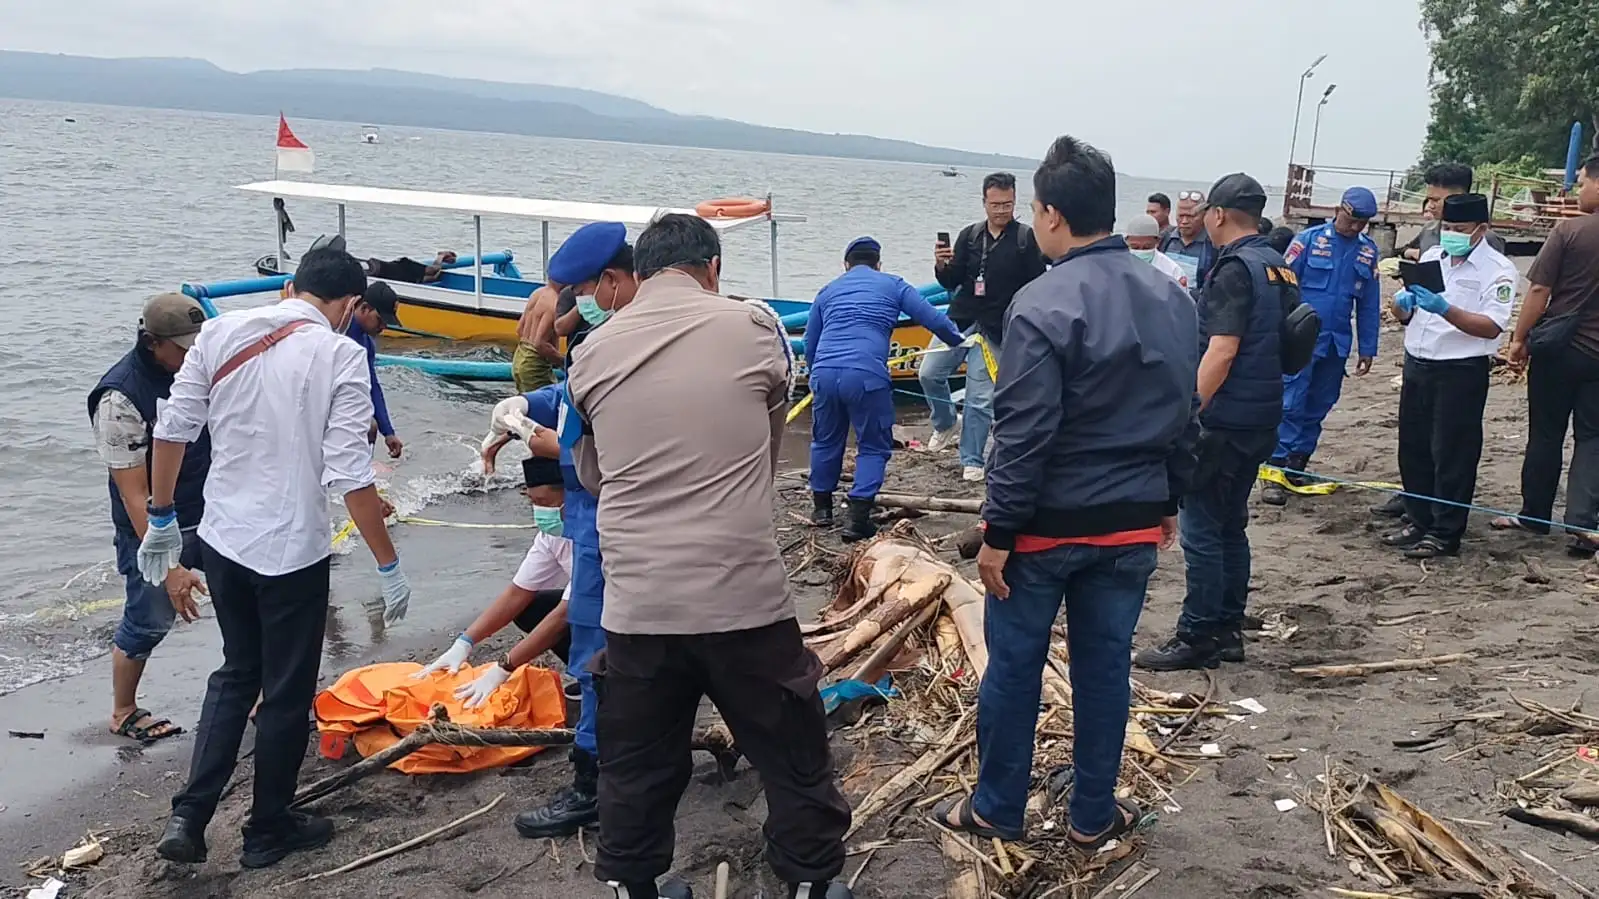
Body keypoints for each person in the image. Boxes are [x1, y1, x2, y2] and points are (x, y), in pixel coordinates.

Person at [565, 213, 852, 899]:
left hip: (640, 604)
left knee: (635, 759)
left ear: (637, 273)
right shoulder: (755, 329)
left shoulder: (590, 355)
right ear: (712, 268)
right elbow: (769, 420)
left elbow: (590, 474)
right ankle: (810, 885)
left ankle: (633, 887)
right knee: (790, 751)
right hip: (741, 593)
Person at [934, 135, 1197, 851]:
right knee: (1105, 668)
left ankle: (997, 805)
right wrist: (1169, 497)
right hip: (1132, 520)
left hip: (1046, 526)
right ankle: (1090, 814)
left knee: (1014, 667)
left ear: (1049, 214)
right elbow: (1182, 412)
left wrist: (998, 530)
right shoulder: (1172, 297)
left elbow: (1021, 435)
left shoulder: (1040, 301)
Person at [143, 247, 412, 869]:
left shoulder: (219, 330)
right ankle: (267, 829)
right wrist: (388, 563)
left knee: (237, 674)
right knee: (287, 691)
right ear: (349, 306)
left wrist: (161, 519)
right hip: (291, 548)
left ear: (292, 286)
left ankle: (189, 814)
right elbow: (350, 472)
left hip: (223, 537)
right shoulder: (340, 354)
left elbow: (173, 428)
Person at [513, 221, 641, 841]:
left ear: (611, 281)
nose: (574, 305)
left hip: (611, 516)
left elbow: (604, 445)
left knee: (597, 649)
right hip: (603, 521)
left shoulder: (624, 342)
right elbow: (570, 395)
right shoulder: (607, 337)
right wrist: (529, 406)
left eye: (581, 291)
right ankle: (608, 769)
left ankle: (594, 783)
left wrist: (543, 440)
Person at [1136, 174, 1290, 671]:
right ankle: (1227, 628)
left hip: (1225, 418)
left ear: (1218, 215)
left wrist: (1189, 410)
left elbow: (1221, 350)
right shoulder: (1277, 266)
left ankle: (1198, 633)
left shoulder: (1234, 270)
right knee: (1231, 525)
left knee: (1202, 529)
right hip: (1263, 413)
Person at [89, 293, 212, 745]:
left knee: (248, 600)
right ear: (151, 342)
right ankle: (123, 710)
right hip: (150, 526)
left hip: (209, 509)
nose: (191, 355)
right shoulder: (119, 397)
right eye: (182, 348)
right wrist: (170, 565)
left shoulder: (195, 371)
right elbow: (134, 493)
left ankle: (255, 693)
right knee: (149, 619)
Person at [1382, 194, 1517, 558]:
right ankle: (1418, 518)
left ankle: (1445, 531)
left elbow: (1490, 327)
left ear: (1481, 230)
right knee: (1413, 448)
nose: (1451, 235)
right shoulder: (1431, 257)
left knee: (1452, 453)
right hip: (1418, 361)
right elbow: (1403, 311)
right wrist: (1402, 304)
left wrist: (1444, 309)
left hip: (1460, 369)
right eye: (1447, 228)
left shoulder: (1498, 270)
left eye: (1459, 229)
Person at [806, 237, 965, 539]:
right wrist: (959, 341)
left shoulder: (827, 291)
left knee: (825, 440)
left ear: (845, 265)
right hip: (866, 374)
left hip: (825, 374)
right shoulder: (893, 284)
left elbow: (811, 344)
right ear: (879, 264)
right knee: (873, 445)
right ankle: (857, 517)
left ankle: (822, 509)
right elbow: (933, 319)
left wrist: (818, 377)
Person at [1500, 156, 1599, 551]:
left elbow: (1539, 291)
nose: (1578, 190)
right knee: (1593, 437)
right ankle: (1583, 522)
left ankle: (1536, 515)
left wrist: (1519, 340)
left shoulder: (1570, 231)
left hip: (1559, 351)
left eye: (1581, 182)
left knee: (1545, 433)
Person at [1260, 187, 1381, 505]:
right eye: (1352, 220)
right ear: (1339, 210)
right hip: (1301, 337)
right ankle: (1274, 469)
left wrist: (1368, 347)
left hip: (1337, 342)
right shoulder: (1308, 240)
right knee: (1290, 402)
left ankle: (1298, 462)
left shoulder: (1368, 252)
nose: (1355, 228)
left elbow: (1369, 303)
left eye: (1363, 224)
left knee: (1320, 403)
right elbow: (1280, 285)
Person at [932, 172, 1049, 481]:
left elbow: (1038, 284)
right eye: (995, 204)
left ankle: (972, 458)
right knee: (929, 372)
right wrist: (942, 264)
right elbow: (951, 279)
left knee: (979, 395)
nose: (1001, 210)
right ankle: (945, 422)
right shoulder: (970, 235)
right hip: (962, 318)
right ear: (984, 202)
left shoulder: (1026, 239)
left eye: (1007, 204)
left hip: (998, 326)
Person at [1393, 163, 1508, 261]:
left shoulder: (1487, 239)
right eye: (1429, 199)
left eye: (1436, 200)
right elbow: (1404, 250)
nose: (1430, 206)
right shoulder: (1429, 229)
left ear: (1458, 198)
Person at [346, 282, 404, 458]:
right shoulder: (341, 334)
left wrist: (388, 432)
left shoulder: (367, 342)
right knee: (368, 426)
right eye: (380, 320)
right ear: (364, 308)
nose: (383, 327)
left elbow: (372, 385)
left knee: (371, 425)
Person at [1158, 189, 1217, 286]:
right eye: (1181, 216)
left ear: (1204, 215)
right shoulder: (1166, 238)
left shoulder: (1213, 244)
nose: (1184, 221)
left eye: (1191, 216)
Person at [1124, 213, 1190, 287]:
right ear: (1126, 241)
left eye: (1147, 247)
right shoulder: (1118, 266)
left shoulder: (1173, 271)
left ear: (1157, 241)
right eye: (1135, 247)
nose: (1141, 251)